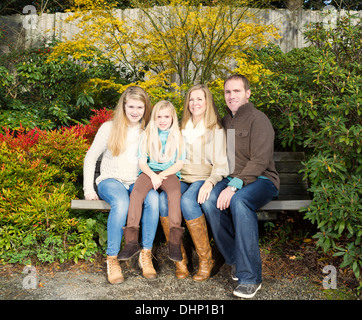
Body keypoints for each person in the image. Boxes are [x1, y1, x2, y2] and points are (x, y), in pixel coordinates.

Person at [202, 74, 280, 298]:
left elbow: (260, 160)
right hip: (232, 179)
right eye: (228, 92)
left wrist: (234, 186)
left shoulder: (259, 119)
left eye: (236, 91)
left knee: (239, 200)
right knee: (208, 201)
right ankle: (236, 259)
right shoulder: (226, 121)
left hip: (262, 180)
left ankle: (250, 278)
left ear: (247, 93)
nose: (231, 96)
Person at [83, 86, 160, 284]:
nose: (135, 111)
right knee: (121, 202)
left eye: (140, 107)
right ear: (123, 106)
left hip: (137, 181)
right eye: (131, 106)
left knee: (153, 199)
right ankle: (112, 258)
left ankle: (146, 254)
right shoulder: (109, 128)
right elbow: (90, 158)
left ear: (146, 109)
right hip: (111, 180)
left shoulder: (149, 130)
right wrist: (88, 189)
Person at [159, 84, 229, 281]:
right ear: (187, 103)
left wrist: (210, 182)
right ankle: (180, 261)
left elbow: (222, 164)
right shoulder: (179, 129)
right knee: (164, 200)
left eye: (200, 99)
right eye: (191, 99)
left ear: (207, 102)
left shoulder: (216, 129)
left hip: (202, 178)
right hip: (180, 178)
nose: (195, 103)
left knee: (188, 202)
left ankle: (206, 261)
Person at [118, 100, 185, 263]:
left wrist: (161, 176)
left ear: (172, 118)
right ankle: (132, 242)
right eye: (159, 116)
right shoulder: (146, 135)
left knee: (175, 194)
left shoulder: (178, 136)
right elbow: (142, 163)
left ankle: (175, 242)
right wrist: (153, 176)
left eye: (166, 117)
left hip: (169, 173)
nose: (162, 120)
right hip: (149, 172)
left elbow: (179, 164)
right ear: (154, 118)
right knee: (137, 194)